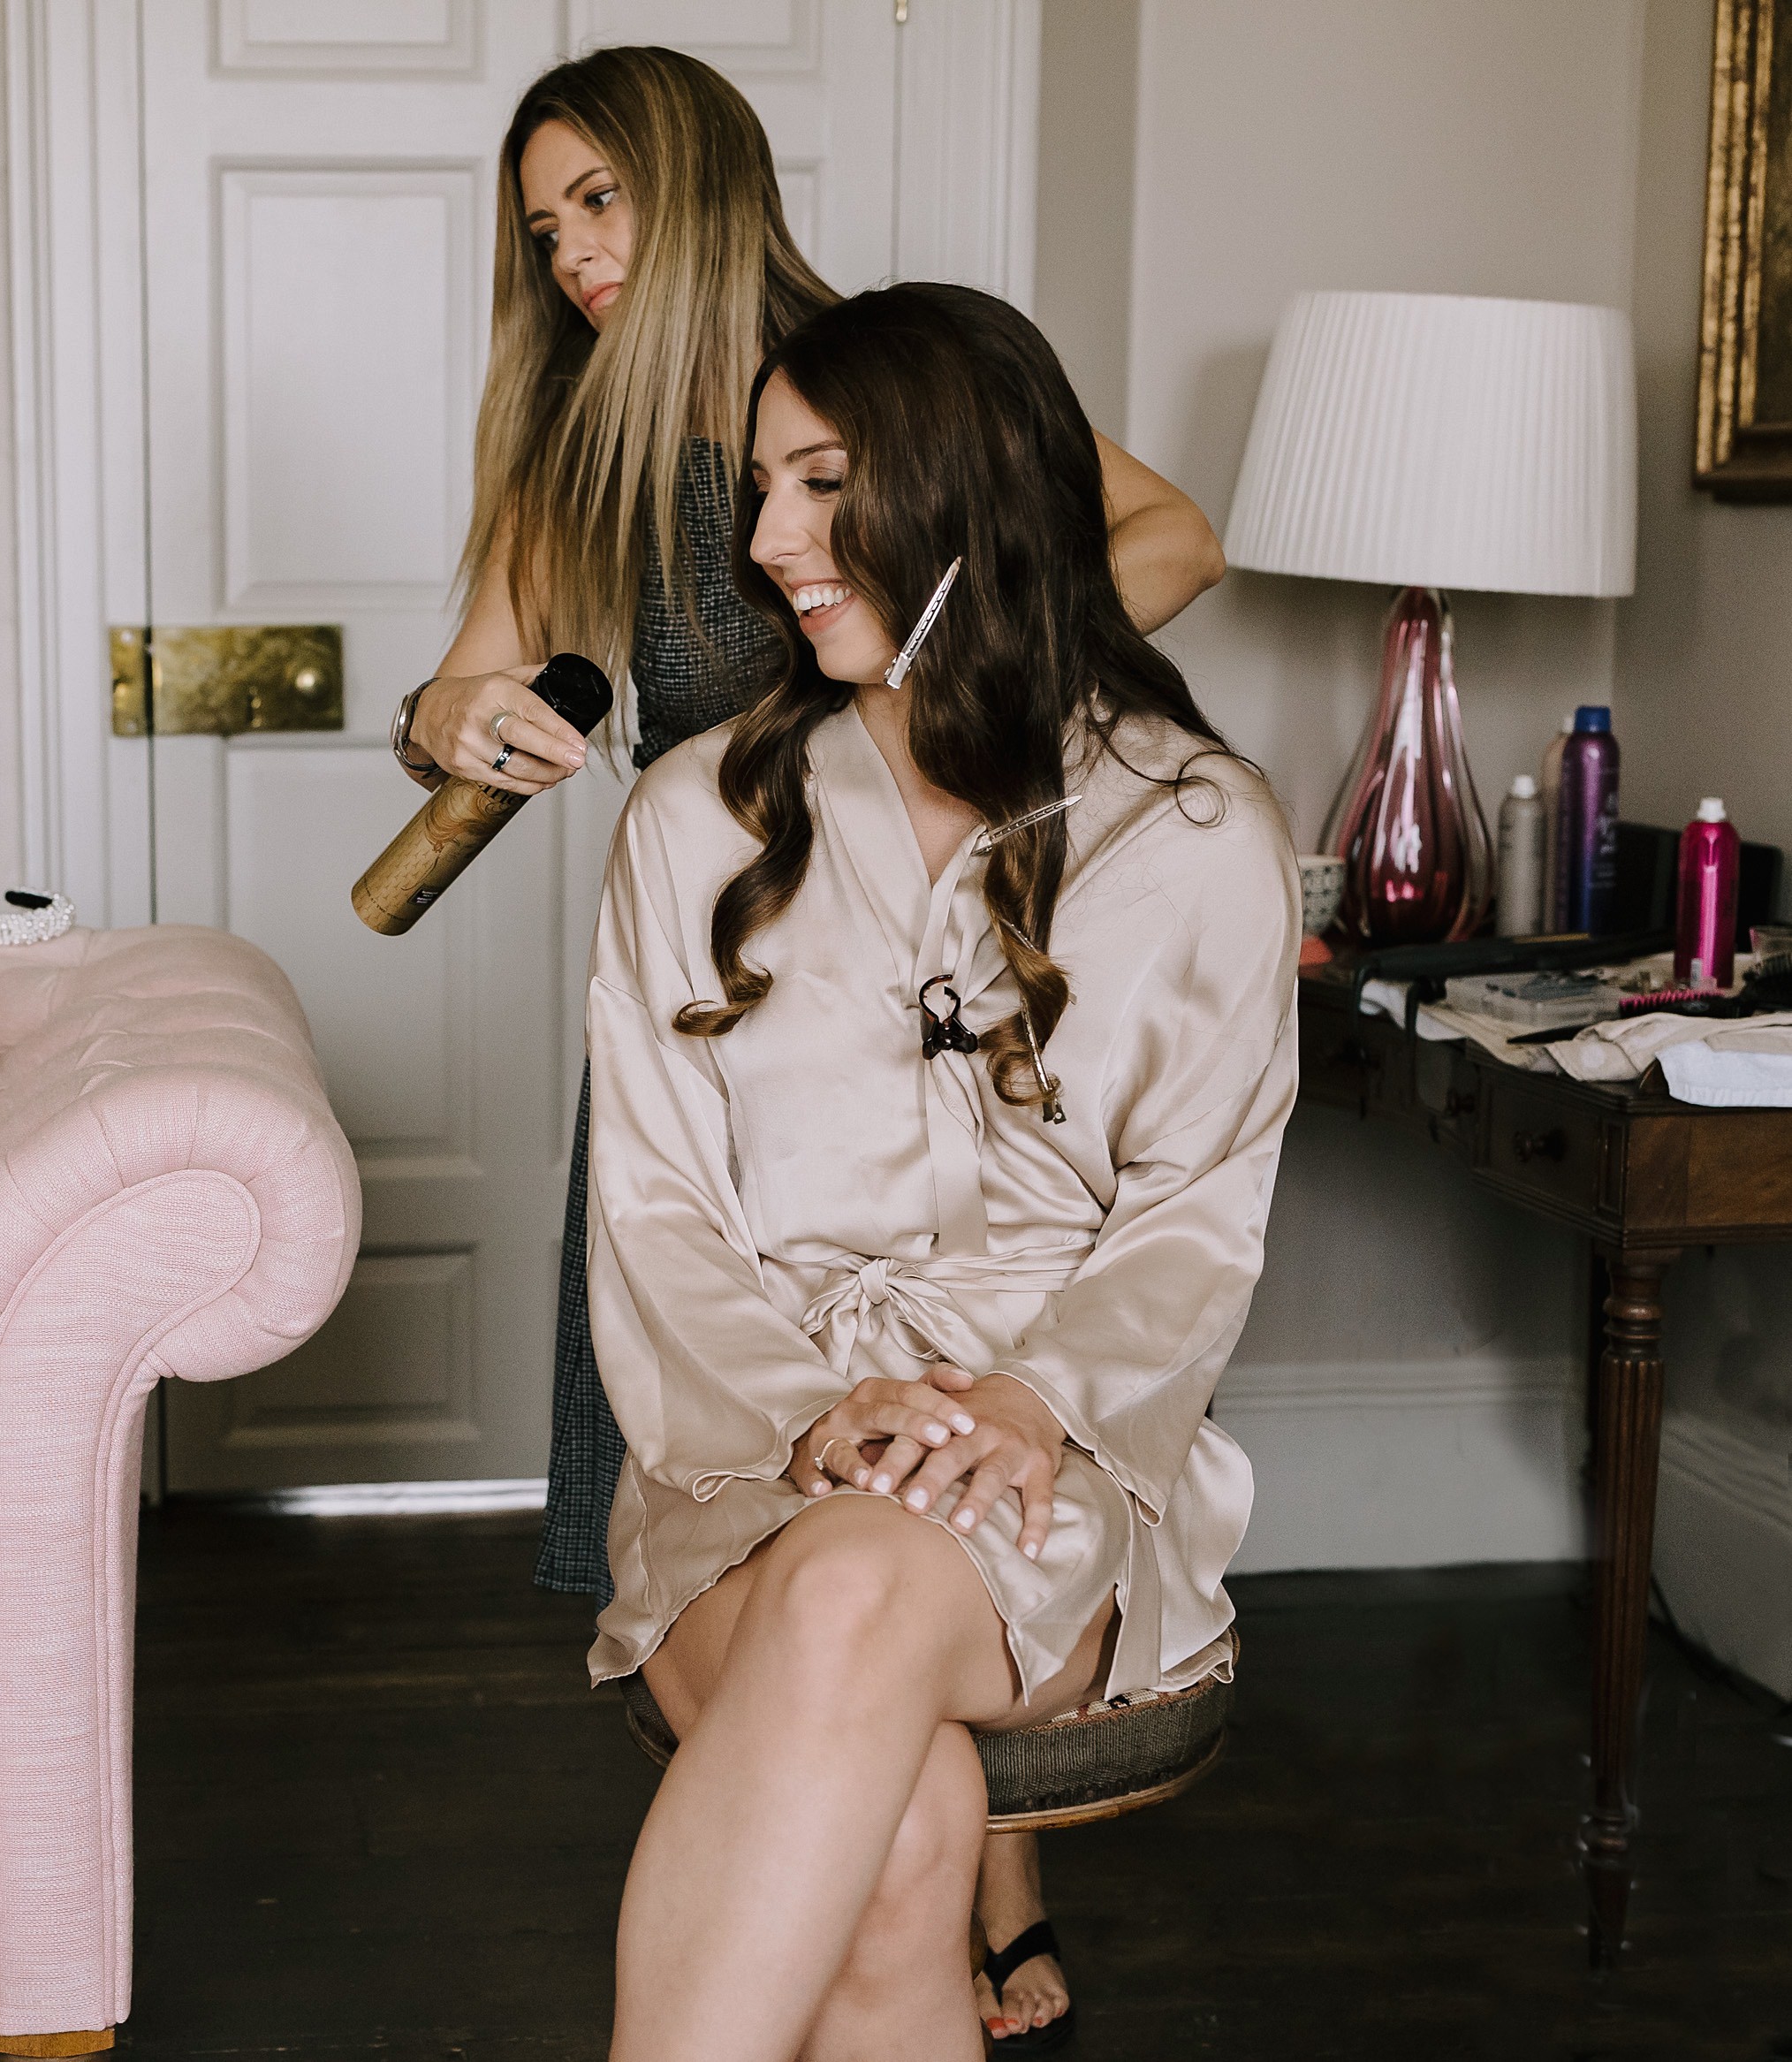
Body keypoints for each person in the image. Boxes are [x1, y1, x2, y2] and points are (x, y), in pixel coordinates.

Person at [383, 44, 1226, 2043]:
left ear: (701, 181)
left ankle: (958, 1902)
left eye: (600, 200)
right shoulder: (575, 446)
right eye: (543, 223)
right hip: (711, 1052)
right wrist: (447, 725)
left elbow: (1169, 536)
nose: (575, 252)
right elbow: (467, 676)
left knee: (926, 1457)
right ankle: (888, 1909)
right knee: (748, 1484)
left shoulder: (877, 381)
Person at [586, 278, 1292, 2058]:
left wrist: (1031, 1395)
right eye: (763, 484)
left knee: (854, 1588)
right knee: (898, 1838)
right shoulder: (692, 817)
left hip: (1049, 1464)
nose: (764, 539)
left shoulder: (1191, 826)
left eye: (820, 485)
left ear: (966, 492)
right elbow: (657, 1206)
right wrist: (806, 1410)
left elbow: (1199, 1209)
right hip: (737, 1438)